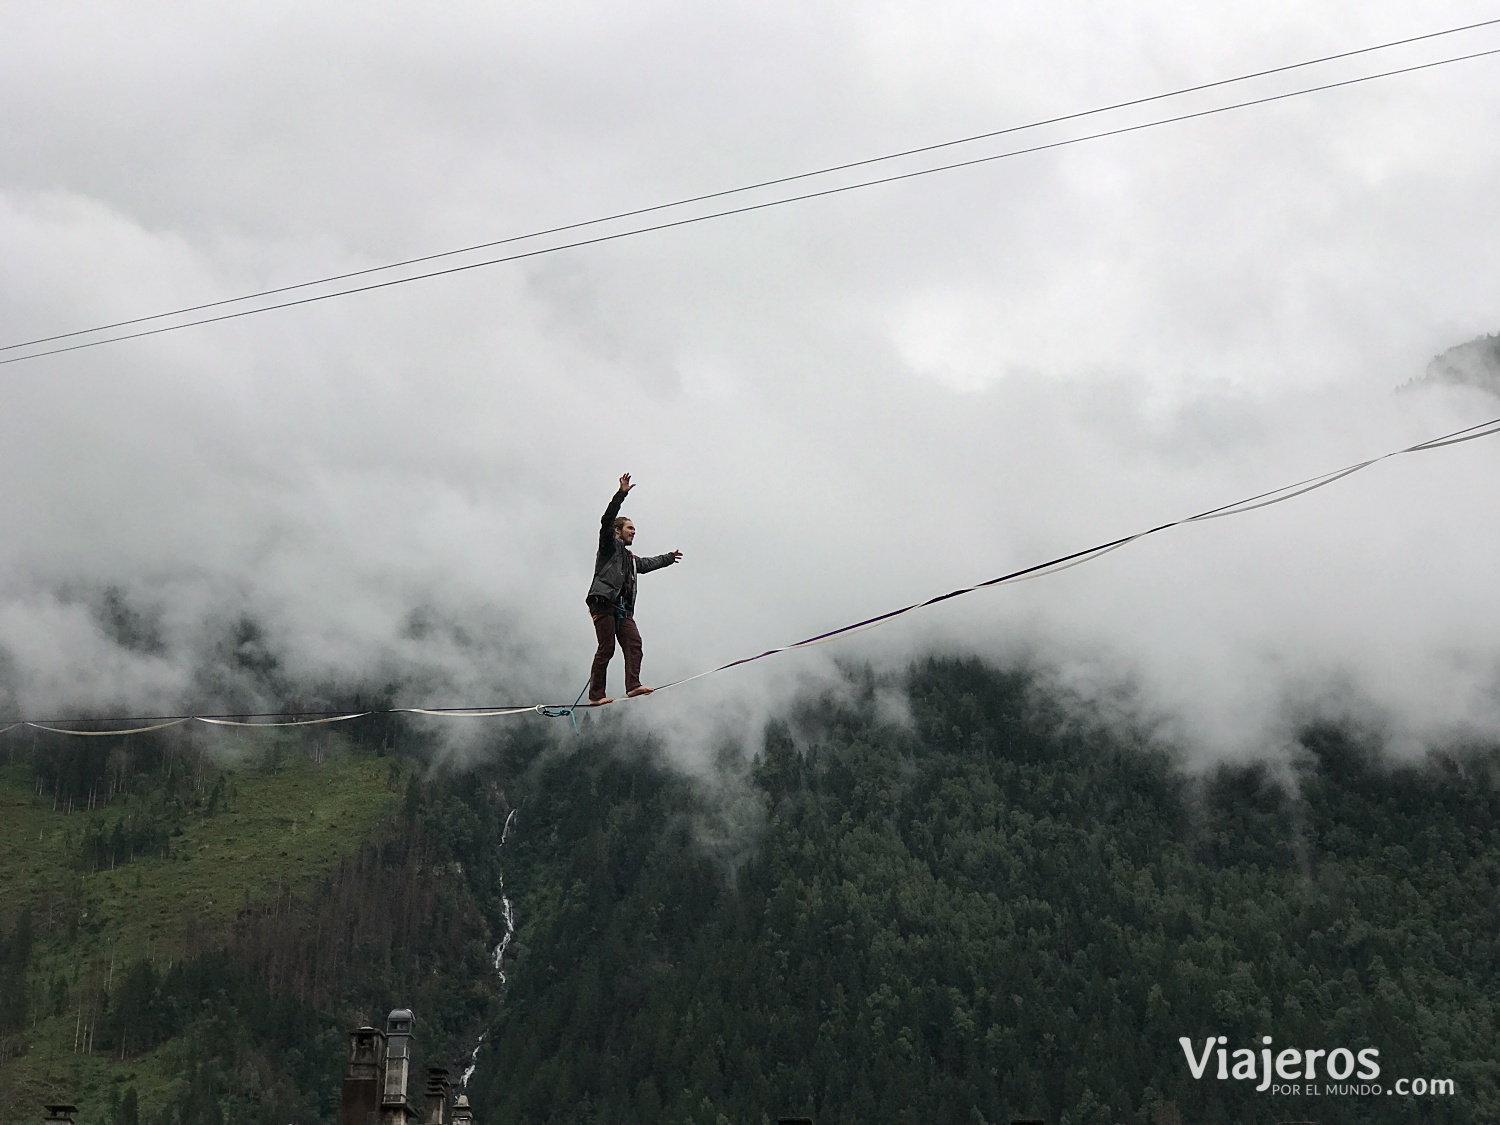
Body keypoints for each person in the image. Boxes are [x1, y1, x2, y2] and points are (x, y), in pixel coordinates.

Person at [586, 473, 682, 704]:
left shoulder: (630, 559)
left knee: (634, 643)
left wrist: (669, 557)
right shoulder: (609, 547)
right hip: (604, 602)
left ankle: (633, 685)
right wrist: (621, 494)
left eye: (635, 528)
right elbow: (607, 519)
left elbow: (647, 564)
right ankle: (595, 695)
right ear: (618, 531)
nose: (634, 531)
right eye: (630, 528)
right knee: (606, 648)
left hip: (622, 609)